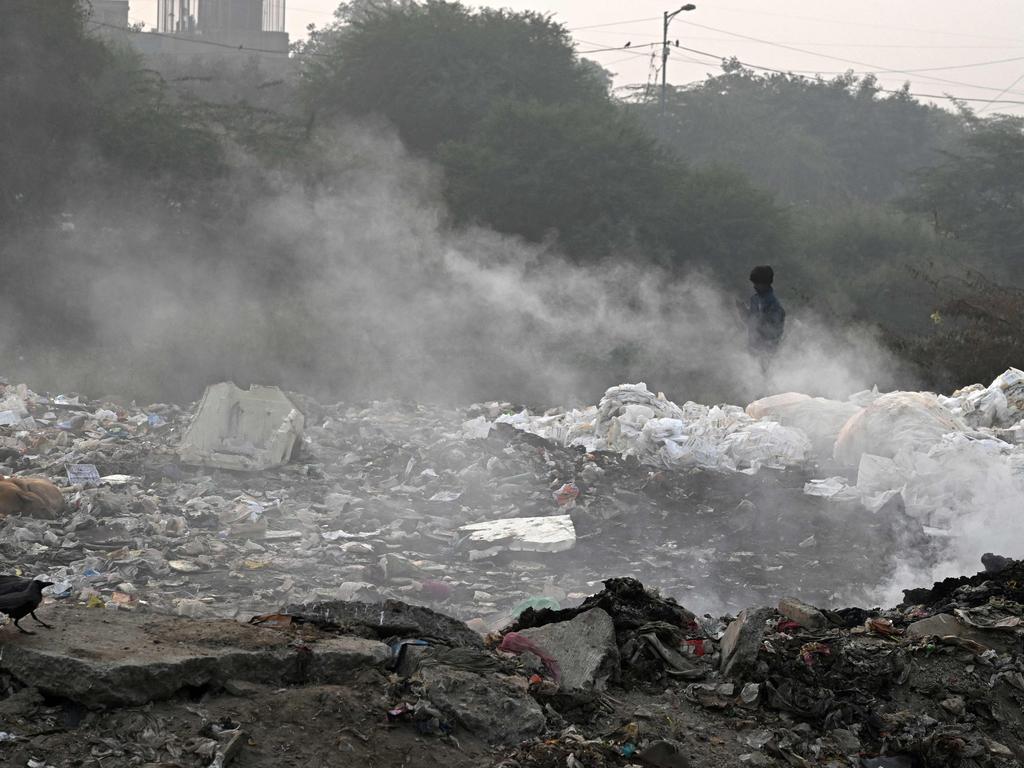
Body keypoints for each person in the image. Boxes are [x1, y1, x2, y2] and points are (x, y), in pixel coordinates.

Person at [740, 265, 785, 367]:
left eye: (757, 283)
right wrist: (743, 312)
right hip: (753, 348)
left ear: (766, 283)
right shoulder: (755, 299)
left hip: (766, 352)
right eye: (754, 283)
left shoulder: (774, 305)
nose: (754, 286)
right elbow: (750, 322)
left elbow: (774, 331)